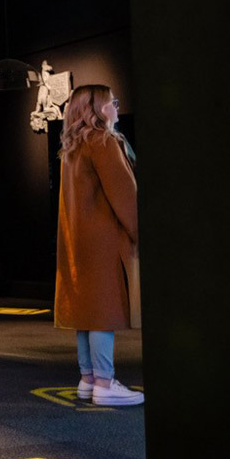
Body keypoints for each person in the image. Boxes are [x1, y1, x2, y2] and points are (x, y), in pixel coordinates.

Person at [54, 85, 144, 407]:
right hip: (105, 241)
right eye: (112, 102)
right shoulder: (104, 141)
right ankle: (105, 384)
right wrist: (140, 233)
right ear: (98, 108)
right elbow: (126, 196)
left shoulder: (72, 147)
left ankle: (88, 378)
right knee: (104, 312)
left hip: (78, 242)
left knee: (87, 312)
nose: (117, 107)